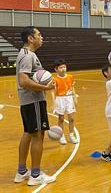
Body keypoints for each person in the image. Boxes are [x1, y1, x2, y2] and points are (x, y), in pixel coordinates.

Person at [14, 26, 56, 186]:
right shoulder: (27, 56)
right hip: (33, 101)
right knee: (38, 136)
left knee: (29, 134)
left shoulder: (28, 54)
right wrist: (46, 88)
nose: (42, 37)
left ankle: (22, 171)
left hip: (28, 101)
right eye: (39, 35)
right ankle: (36, 175)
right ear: (30, 38)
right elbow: (23, 81)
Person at [51, 59, 79, 145]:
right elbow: (52, 91)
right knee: (61, 119)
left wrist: (75, 97)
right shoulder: (54, 79)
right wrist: (54, 102)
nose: (63, 69)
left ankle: (71, 135)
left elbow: (72, 87)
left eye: (64, 67)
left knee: (71, 118)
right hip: (60, 99)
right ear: (56, 69)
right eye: (61, 67)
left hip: (69, 98)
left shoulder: (70, 76)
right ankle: (61, 135)